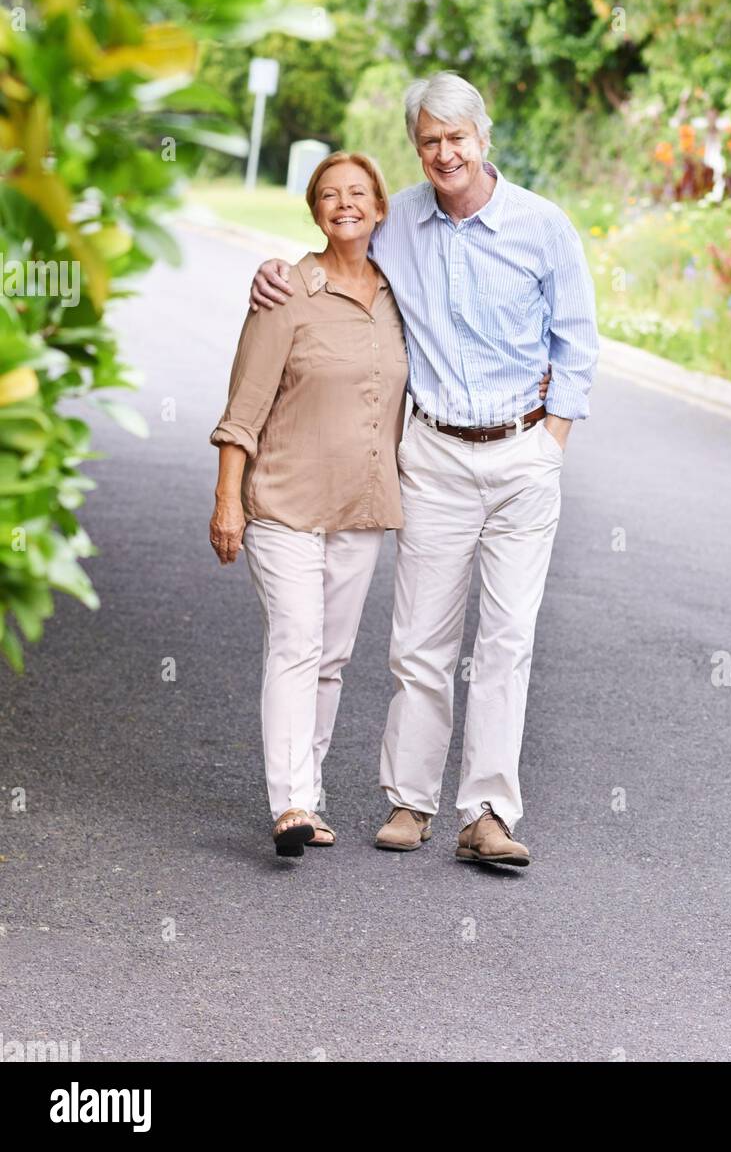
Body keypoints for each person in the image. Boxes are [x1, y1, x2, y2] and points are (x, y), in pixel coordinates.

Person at [250, 71, 599, 867]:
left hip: (521, 454)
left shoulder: (543, 227)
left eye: (457, 139)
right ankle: (410, 802)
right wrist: (271, 275)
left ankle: (486, 813)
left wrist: (551, 444)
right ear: (418, 148)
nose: (445, 154)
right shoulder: (398, 220)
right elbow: (330, 257)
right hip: (435, 455)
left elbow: (576, 343)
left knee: (507, 639)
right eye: (430, 141)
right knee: (420, 643)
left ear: (484, 139)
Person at [209, 152, 408, 858]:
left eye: (358, 193)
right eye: (329, 194)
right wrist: (227, 498)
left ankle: (311, 794)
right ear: (315, 210)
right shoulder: (285, 291)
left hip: (361, 505)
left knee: (332, 656)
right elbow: (244, 407)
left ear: (381, 208)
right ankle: (289, 801)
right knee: (297, 642)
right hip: (284, 503)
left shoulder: (398, 293)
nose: (344, 204)